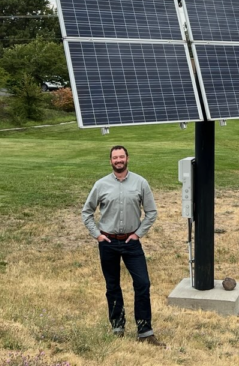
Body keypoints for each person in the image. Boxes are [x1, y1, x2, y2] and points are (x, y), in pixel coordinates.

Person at [81, 145, 165, 347]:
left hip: (131, 243)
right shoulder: (101, 185)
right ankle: (117, 327)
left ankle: (145, 331)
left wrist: (138, 234)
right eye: (115, 157)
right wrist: (98, 235)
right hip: (108, 242)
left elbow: (151, 212)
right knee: (112, 286)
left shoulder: (140, 183)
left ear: (127, 158)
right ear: (110, 161)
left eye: (121, 157)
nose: (118, 160)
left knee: (142, 284)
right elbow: (87, 212)